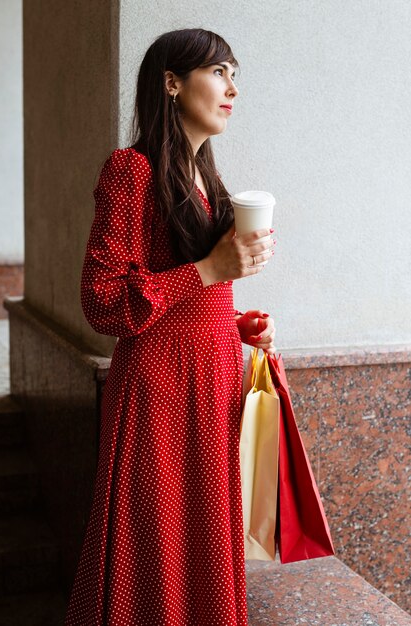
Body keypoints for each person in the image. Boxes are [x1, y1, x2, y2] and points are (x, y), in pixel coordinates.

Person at [64, 28, 276, 626]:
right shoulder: (131, 170)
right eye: (219, 73)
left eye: (236, 75)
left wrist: (239, 326)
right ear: (172, 83)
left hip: (211, 385)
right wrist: (210, 268)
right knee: (155, 547)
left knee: (205, 542)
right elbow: (103, 302)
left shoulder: (206, 177)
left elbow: (188, 299)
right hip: (159, 393)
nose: (233, 89)